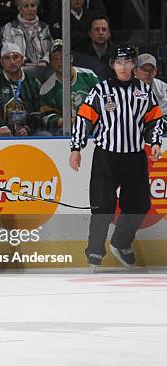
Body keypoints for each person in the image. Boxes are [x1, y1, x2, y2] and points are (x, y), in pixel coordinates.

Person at [69, 45, 164, 272]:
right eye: (119, 62)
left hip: (134, 157)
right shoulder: (100, 91)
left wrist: (156, 142)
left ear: (134, 65)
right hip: (106, 156)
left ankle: (121, 243)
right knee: (103, 206)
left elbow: (155, 121)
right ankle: (94, 251)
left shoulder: (144, 90)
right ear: (113, 65)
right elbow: (83, 118)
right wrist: (76, 148)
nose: (123, 67)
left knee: (140, 203)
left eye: (127, 62)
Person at [40, 39, 99, 134]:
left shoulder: (89, 76)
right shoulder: (47, 88)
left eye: (63, 57)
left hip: (93, 123)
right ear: (50, 63)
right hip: (65, 130)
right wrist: (67, 122)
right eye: (56, 59)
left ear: (71, 58)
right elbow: (47, 116)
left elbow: (101, 101)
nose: (60, 62)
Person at [0, 42, 44, 136]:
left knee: (44, 135)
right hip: (1, 130)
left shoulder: (33, 82)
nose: (12, 61)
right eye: (7, 58)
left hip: (29, 130)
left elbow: (38, 111)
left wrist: (27, 128)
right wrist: (1, 126)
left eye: (15, 57)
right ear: (1, 61)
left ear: (22, 59)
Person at [1, 0, 52, 66]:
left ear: (37, 8)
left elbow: (52, 49)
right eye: (26, 6)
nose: (30, 9)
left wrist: (45, 60)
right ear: (20, 9)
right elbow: (8, 49)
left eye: (33, 6)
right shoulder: (9, 27)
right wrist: (24, 61)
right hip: (21, 68)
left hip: (45, 67)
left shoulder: (46, 27)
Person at [73, 14, 115, 81]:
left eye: (104, 29)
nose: (101, 33)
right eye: (97, 29)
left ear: (109, 33)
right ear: (90, 33)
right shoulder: (80, 55)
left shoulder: (116, 54)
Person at [134, 53, 167, 125]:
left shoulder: (163, 87)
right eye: (144, 69)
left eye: (151, 69)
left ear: (155, 71)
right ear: (135, 71)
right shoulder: (127, 87)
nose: (147, 73)